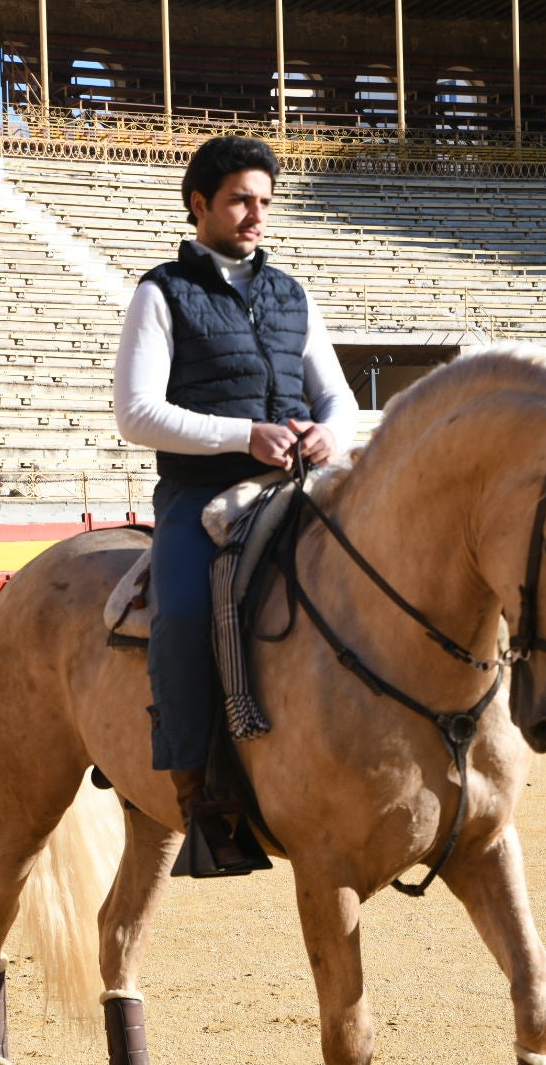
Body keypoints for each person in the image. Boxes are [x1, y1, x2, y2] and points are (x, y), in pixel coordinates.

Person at [114, 135, 357, 872]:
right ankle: (202, 801)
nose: (256, 216)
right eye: (241, 201)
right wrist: (241, 434)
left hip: (298, 488)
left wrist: (329, 433)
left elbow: (338, 396)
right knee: (184, 616)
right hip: (201, 496)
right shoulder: (160, 292)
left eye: (264, 203)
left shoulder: (292, 294)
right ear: (200, 205)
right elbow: (135, 413)